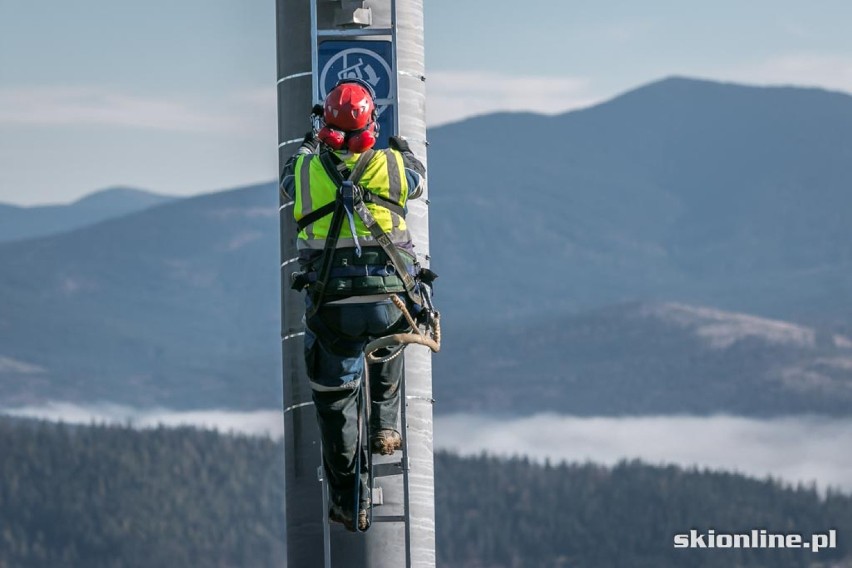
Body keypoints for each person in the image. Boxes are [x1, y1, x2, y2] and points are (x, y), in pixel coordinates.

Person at [280, 78, 427, 532]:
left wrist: (308, 145)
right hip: (386, 302)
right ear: (371, 127)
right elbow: (417, 180)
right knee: (389, 337)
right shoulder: (391, 166)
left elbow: (290, 179)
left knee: (334, 401)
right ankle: (385, 423)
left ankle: (349, 500)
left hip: (333, 308)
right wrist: (403, 151)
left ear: (325, 126)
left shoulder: (306, 171)